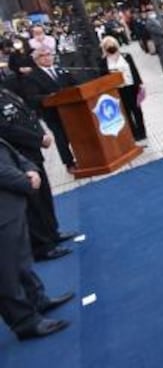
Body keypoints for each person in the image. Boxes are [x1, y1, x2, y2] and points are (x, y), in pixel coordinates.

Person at [0, 138, 74, 340]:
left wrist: (31, 168)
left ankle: (37, 300)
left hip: (12, 205)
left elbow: (11, 151)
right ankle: (24, 322)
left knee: (22, 260)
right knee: (6, 271)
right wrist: (26, 181)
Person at [0, 87, 79, 261]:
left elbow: (28, 115)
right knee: (34, 204)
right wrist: (38, 139)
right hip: (19, 154)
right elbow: (6, 129)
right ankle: (42, 247)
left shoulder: (5, 91)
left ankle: (52, 233)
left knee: (44, 196)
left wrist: (42, 133)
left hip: (32, 153)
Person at [19, 47, 77, 172]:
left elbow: (74, 85)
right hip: (52, 113)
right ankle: (69, 163)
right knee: (61, 137)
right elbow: (32, 97)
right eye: (43, 55)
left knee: (76, 134)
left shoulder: (61, 70)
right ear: (36, 60)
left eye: (49, 54)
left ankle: (84, 156)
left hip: (72, 110)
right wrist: (51, 97)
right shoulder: (32, 76)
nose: (47, 57)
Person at [98, 36, 147, 142]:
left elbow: (134, 70)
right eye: (108, 46)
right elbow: (103, 77)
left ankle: (142, 132)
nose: (111, 47)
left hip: (131, 86)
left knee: (137, 110)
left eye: (112, 45)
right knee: (126, 112)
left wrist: (140, 84)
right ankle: (133, 133)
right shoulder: (103, 62)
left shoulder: (126, 56)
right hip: (118, 90)